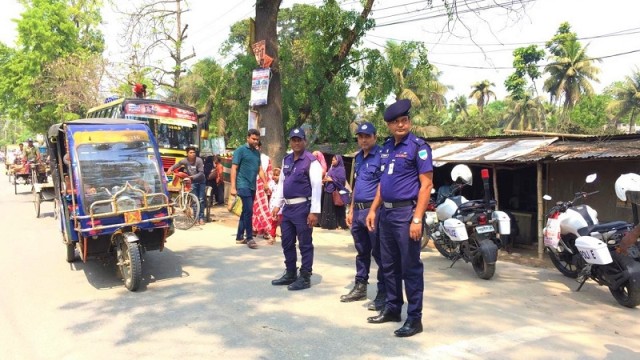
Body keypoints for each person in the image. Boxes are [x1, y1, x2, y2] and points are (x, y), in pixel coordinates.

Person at [365, 99, 434, 338]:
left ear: (409, 122)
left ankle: (415, 319)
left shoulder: (419, 147)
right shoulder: (386, 148)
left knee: (410, 267)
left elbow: (426, 185)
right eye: (396, 122)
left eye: (404, 120)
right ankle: (393, 308)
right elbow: (383, 185)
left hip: (406, 214)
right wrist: (374, 209)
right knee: (389, 265)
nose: (401, 125)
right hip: (386, 213)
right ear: (389, 125)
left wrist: (417, 219)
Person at [341, 122, 386, 311]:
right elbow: (357, 184)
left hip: (373, 211)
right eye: (360, 136)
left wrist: (374, 210)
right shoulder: (358, 157)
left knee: (380, 254)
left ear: (375, 137)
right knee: (362, 252)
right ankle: (360, 286)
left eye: (367, 136)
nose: (364, 140)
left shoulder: (382, 156)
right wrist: (351, 209)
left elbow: (383, 186)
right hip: (358, 211)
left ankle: (383, 294)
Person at [270, 128, 323, 290]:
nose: (296, 142)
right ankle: (291, 272)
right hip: (287, 208)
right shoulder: (287, 160)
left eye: (299, 139)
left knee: (305, 243)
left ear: (304, 141)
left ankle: (305, 276)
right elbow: (281, 184)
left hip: (303, 207)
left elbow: (316, 187)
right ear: (290, 142)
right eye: (293, 140)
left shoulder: (311, 161)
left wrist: (314, 211)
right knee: (287, 242)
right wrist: (277, 205)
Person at [230, 129, 270, 249]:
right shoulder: (240, 150)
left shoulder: (257, 153)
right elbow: (233, 169)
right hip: (242, 185)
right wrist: (232, 187)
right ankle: (249, 238)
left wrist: (265, 183)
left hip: (253, 186)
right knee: (249, 211)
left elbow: (260, 170)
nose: (256, 141)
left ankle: (239, 237)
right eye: (253, 139)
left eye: (257, 139)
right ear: (247, 138)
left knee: (246, 211)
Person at [166, 146, 206, 225]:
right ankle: (196, 218)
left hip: (201, 181)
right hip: (192, 182)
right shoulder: (184, 161)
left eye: (194, 152)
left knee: (201, 200)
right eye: (191, 153)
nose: (193, 154)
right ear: (187, 154)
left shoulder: (199, 160)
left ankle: (201, 218)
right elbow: (176, 165)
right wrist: (170, 169)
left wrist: (192, 177)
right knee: (195, 200)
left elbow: (201, 173)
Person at [252, 142, 273, 240]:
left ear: (260, 147)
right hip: (250, 183)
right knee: (253, 208)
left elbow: (269, 173)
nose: (256, 148)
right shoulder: (248, 157)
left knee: (262, 208)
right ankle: (254, 229)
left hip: (261, 184)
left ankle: (267, 229)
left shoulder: (265, 159)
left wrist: (267, 186)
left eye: (257, 146)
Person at [320, 155, 348, 230]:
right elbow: (328, 176)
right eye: (332, 160)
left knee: (336, 208)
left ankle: (338, 224)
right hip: (328, 189)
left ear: (338, 161)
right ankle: (327, 223)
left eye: (334, 160)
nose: (333, 162)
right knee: (328, 207)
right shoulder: (332, 168)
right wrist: (325, 179)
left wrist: (332, 180)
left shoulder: (341, 169)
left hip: (335, 191)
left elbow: (342, 181)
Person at [268, 167, 282, 241]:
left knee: (283, 223)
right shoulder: (272, 183)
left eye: (277, 175)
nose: (275, 177)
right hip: (273, 205)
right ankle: (272, 236)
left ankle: (285, 236)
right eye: (274, 175)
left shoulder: (283, 184)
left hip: (281, 207)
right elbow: (268, 190)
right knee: (273, 222)